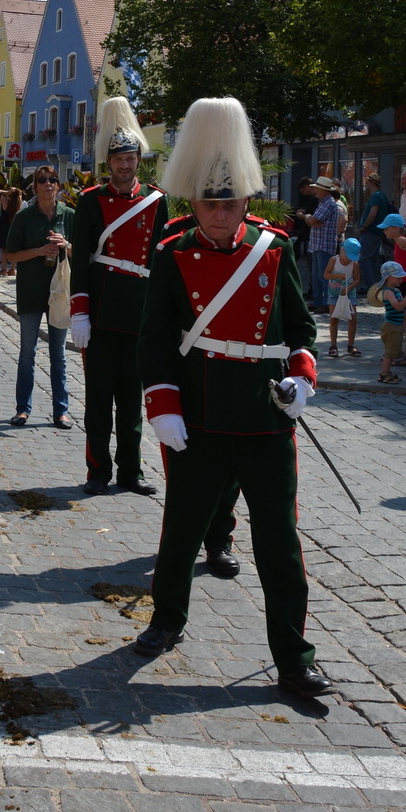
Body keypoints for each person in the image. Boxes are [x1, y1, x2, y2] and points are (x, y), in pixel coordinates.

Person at [134, 97, 329, 700]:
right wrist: (163, 406)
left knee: (279, 541)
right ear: (193, 204)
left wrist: (302, 380)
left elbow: (301, 328)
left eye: (230, 202)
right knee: (182, 527)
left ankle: (293, 656)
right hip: (199, 416)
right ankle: (167, 617)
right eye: (209, 203)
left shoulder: (274, 249)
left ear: (247, 201)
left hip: (266, 419)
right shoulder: (171, 254)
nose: (220, 214)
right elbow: (155, 341)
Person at [68, 96, 166, 497]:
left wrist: (163, 317)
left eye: (130, 158)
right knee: (98, 399)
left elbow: (161, 263)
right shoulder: (91, 200)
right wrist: (79, 311)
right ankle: (97, 469)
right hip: (102, 310)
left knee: (131, 400)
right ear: (108, 162)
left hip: (139, 312)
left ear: (138, 160)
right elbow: (80, 259)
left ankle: (130, 470)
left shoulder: (156, 201)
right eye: (118, 159)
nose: (125, 165)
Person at [6, 165, 75, 428]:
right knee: (27, 353)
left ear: (58, 186)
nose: (48, 184)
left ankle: (61, 411)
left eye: (52, 180)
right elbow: (11, 255)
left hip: (60, 293)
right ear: (35, 187)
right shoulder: (24, 217)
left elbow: (84, 253)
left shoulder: (69, 216)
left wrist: (65, 245)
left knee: (58, 354)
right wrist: (39, 251)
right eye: (42, 180)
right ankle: (23, 409)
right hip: (31, 292)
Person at [300, 177, 339, 312]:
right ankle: (317, 302)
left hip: (324, 245)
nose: (315, 190)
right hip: (318, 244)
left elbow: (313, 220)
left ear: (323, 190)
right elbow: (314, 221)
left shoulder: (328, 203)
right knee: (316, 275)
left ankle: (326, 303)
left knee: (324, 276)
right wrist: (311, 220)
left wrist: (306, 217)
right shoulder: (323, 202)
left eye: (317, 188)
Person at [374, 260, 406, 384]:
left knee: (394, 350)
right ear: (388, 278)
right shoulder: (388, 292)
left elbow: (403, 305)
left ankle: (387, 371)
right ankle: (384, 374)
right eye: (397, 277)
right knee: (389, 352)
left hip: (397, 325)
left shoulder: (396, 291)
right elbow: (398, 306)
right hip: (391, 326)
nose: (400, 280)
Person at [324, 236, 361, 357]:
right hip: (334, 293)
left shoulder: (354, 264)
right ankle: (333, 345)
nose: (350, 259)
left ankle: (351, 345)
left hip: (349, 294)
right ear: (342, 250)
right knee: (334, 318)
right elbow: (326, 275)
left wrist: (349, 288)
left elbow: (357, 279)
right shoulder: (334, 260)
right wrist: (337, 276)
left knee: (353, 319)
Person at [355, 173, 390, 292]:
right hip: (378, 231)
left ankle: (371, 287)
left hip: (371, 231)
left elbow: (373, 213)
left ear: (372, 183)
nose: (367, 184)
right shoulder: (382, 196)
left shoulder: (375, 196)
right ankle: (377, 285)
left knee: (364, 258)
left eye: (368, 182)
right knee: (374, 259)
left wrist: (365, 226)